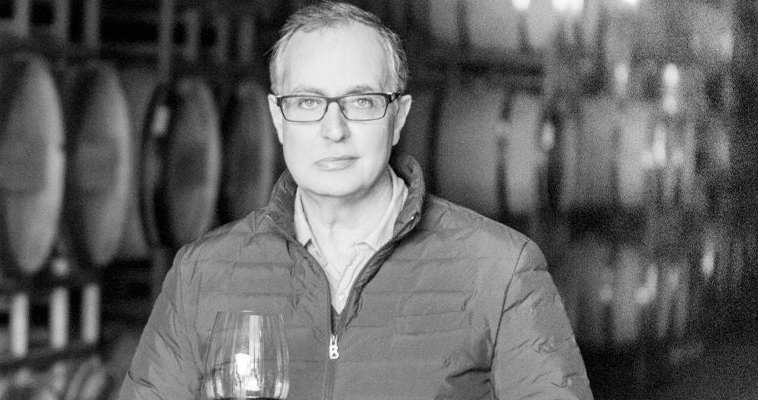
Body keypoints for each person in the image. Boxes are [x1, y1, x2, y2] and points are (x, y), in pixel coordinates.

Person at [117, 2, 593, 399]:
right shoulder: (202, 274)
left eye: (361, 102)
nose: (333, 129)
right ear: (277, 119)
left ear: (399, 116)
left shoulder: (500, 271)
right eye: (307, 102)